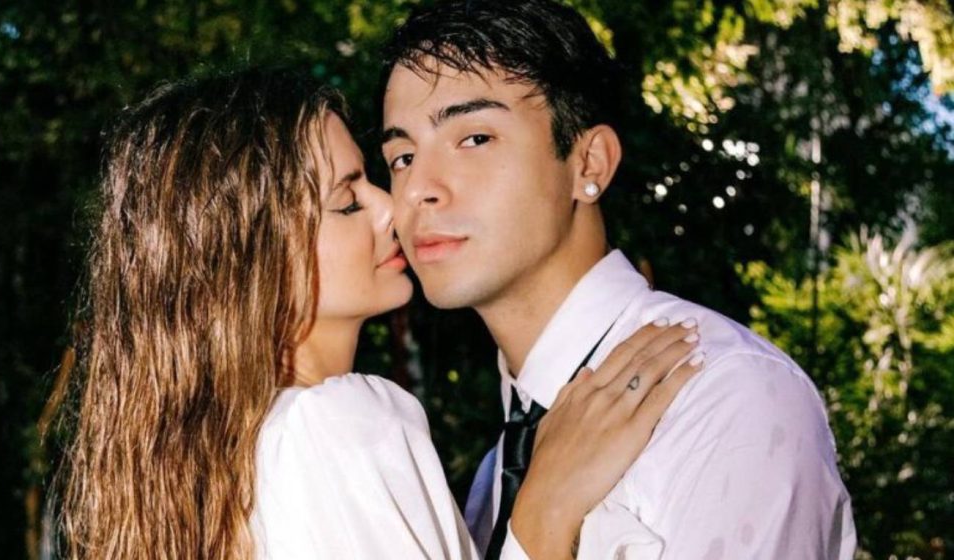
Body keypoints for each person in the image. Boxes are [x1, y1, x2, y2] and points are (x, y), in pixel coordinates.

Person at [58, 68, 702, 559]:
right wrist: (542, 514)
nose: (392, 207)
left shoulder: (215, 466)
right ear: (252, 257)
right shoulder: (333, 425)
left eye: (372, 177)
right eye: (347, 202)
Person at [378, 1, 857, 558]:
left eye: (475, 139)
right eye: (402, 157)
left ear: (590, 164)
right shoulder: (497, 474)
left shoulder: (721, 391)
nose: (417, 189)